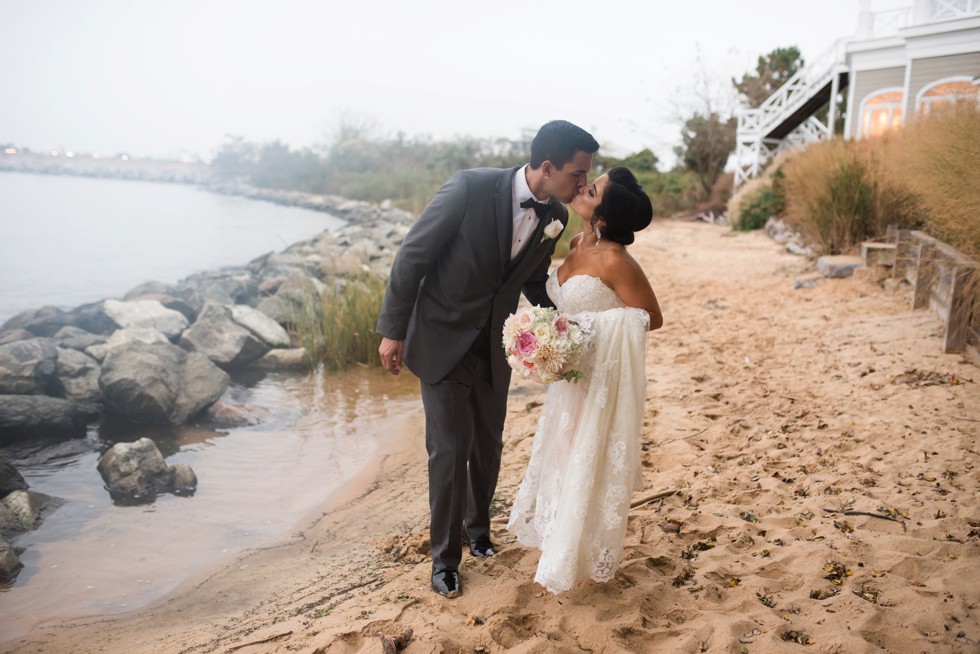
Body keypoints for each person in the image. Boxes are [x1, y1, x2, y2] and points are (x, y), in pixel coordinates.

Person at [376, 120, 600, 598]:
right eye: (578, 174)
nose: (583, 184)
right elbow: (412, 257)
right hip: (441, 339)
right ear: (547, 166)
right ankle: (444, 560)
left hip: (496, 347)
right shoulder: (468, 188)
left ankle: (479, 534)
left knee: (489, 446)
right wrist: (392, 331)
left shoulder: (554, 215)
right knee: (451, 448)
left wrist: (560, 329)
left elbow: (534, 281)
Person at [506, 166, 663, 594]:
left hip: (598, 376)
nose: (580, 189)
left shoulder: (615, 260)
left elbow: (651, 318)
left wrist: (583, 332)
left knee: (584, 457)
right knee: (560, 450)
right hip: (569, 374)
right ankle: (558, 537)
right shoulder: (576, 241)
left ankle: (572, 553)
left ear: (604, 217)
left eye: (590, 190)